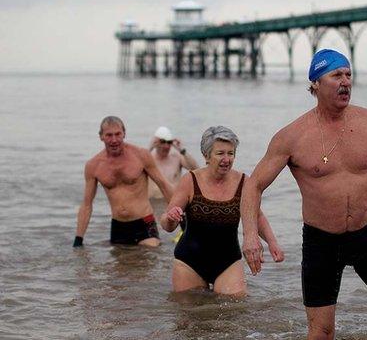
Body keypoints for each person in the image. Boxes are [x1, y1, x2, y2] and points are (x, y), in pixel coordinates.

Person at [241, 49, 367, 339]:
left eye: (348, 74)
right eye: (336, 75)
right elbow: (253, 186)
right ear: (315, 84)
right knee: (322, 332)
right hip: (321, 242)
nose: (345, 82)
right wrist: (251, 237)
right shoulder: (291, 136)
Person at [161, 126, 284, 294]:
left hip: (228, 262)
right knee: (188, 314)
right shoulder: (190, 180)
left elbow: (257, 216)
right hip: (188, 262)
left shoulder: (243, 182)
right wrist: (171, 218)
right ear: (206, 155)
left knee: (234, 310)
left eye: (230, 153)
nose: (226, 159)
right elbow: (167, 226)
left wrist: (272, 242)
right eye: (220, 153)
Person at [73, 116, 174, 248]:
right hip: (118, 226)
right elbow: (87, 205)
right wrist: (78, 240)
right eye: (109, 135)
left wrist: (181, 219)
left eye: (118, 134)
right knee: (121, 265)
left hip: (145, 221)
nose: (114, 140)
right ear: (101, 136)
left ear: (124, 133)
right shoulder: (93, 165)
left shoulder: (141, 155)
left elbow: (164, 185)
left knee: (150, 252)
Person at [148, 126, 199, 199]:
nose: (166, 146)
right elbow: (135, 171)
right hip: (154, 205)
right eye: (162, 142)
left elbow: (196, 169)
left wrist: (182, 150)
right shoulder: (148, 159)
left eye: (169, 142)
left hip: (172, 203)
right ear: (155, 142)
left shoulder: (177, 158)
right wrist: (150, 148)